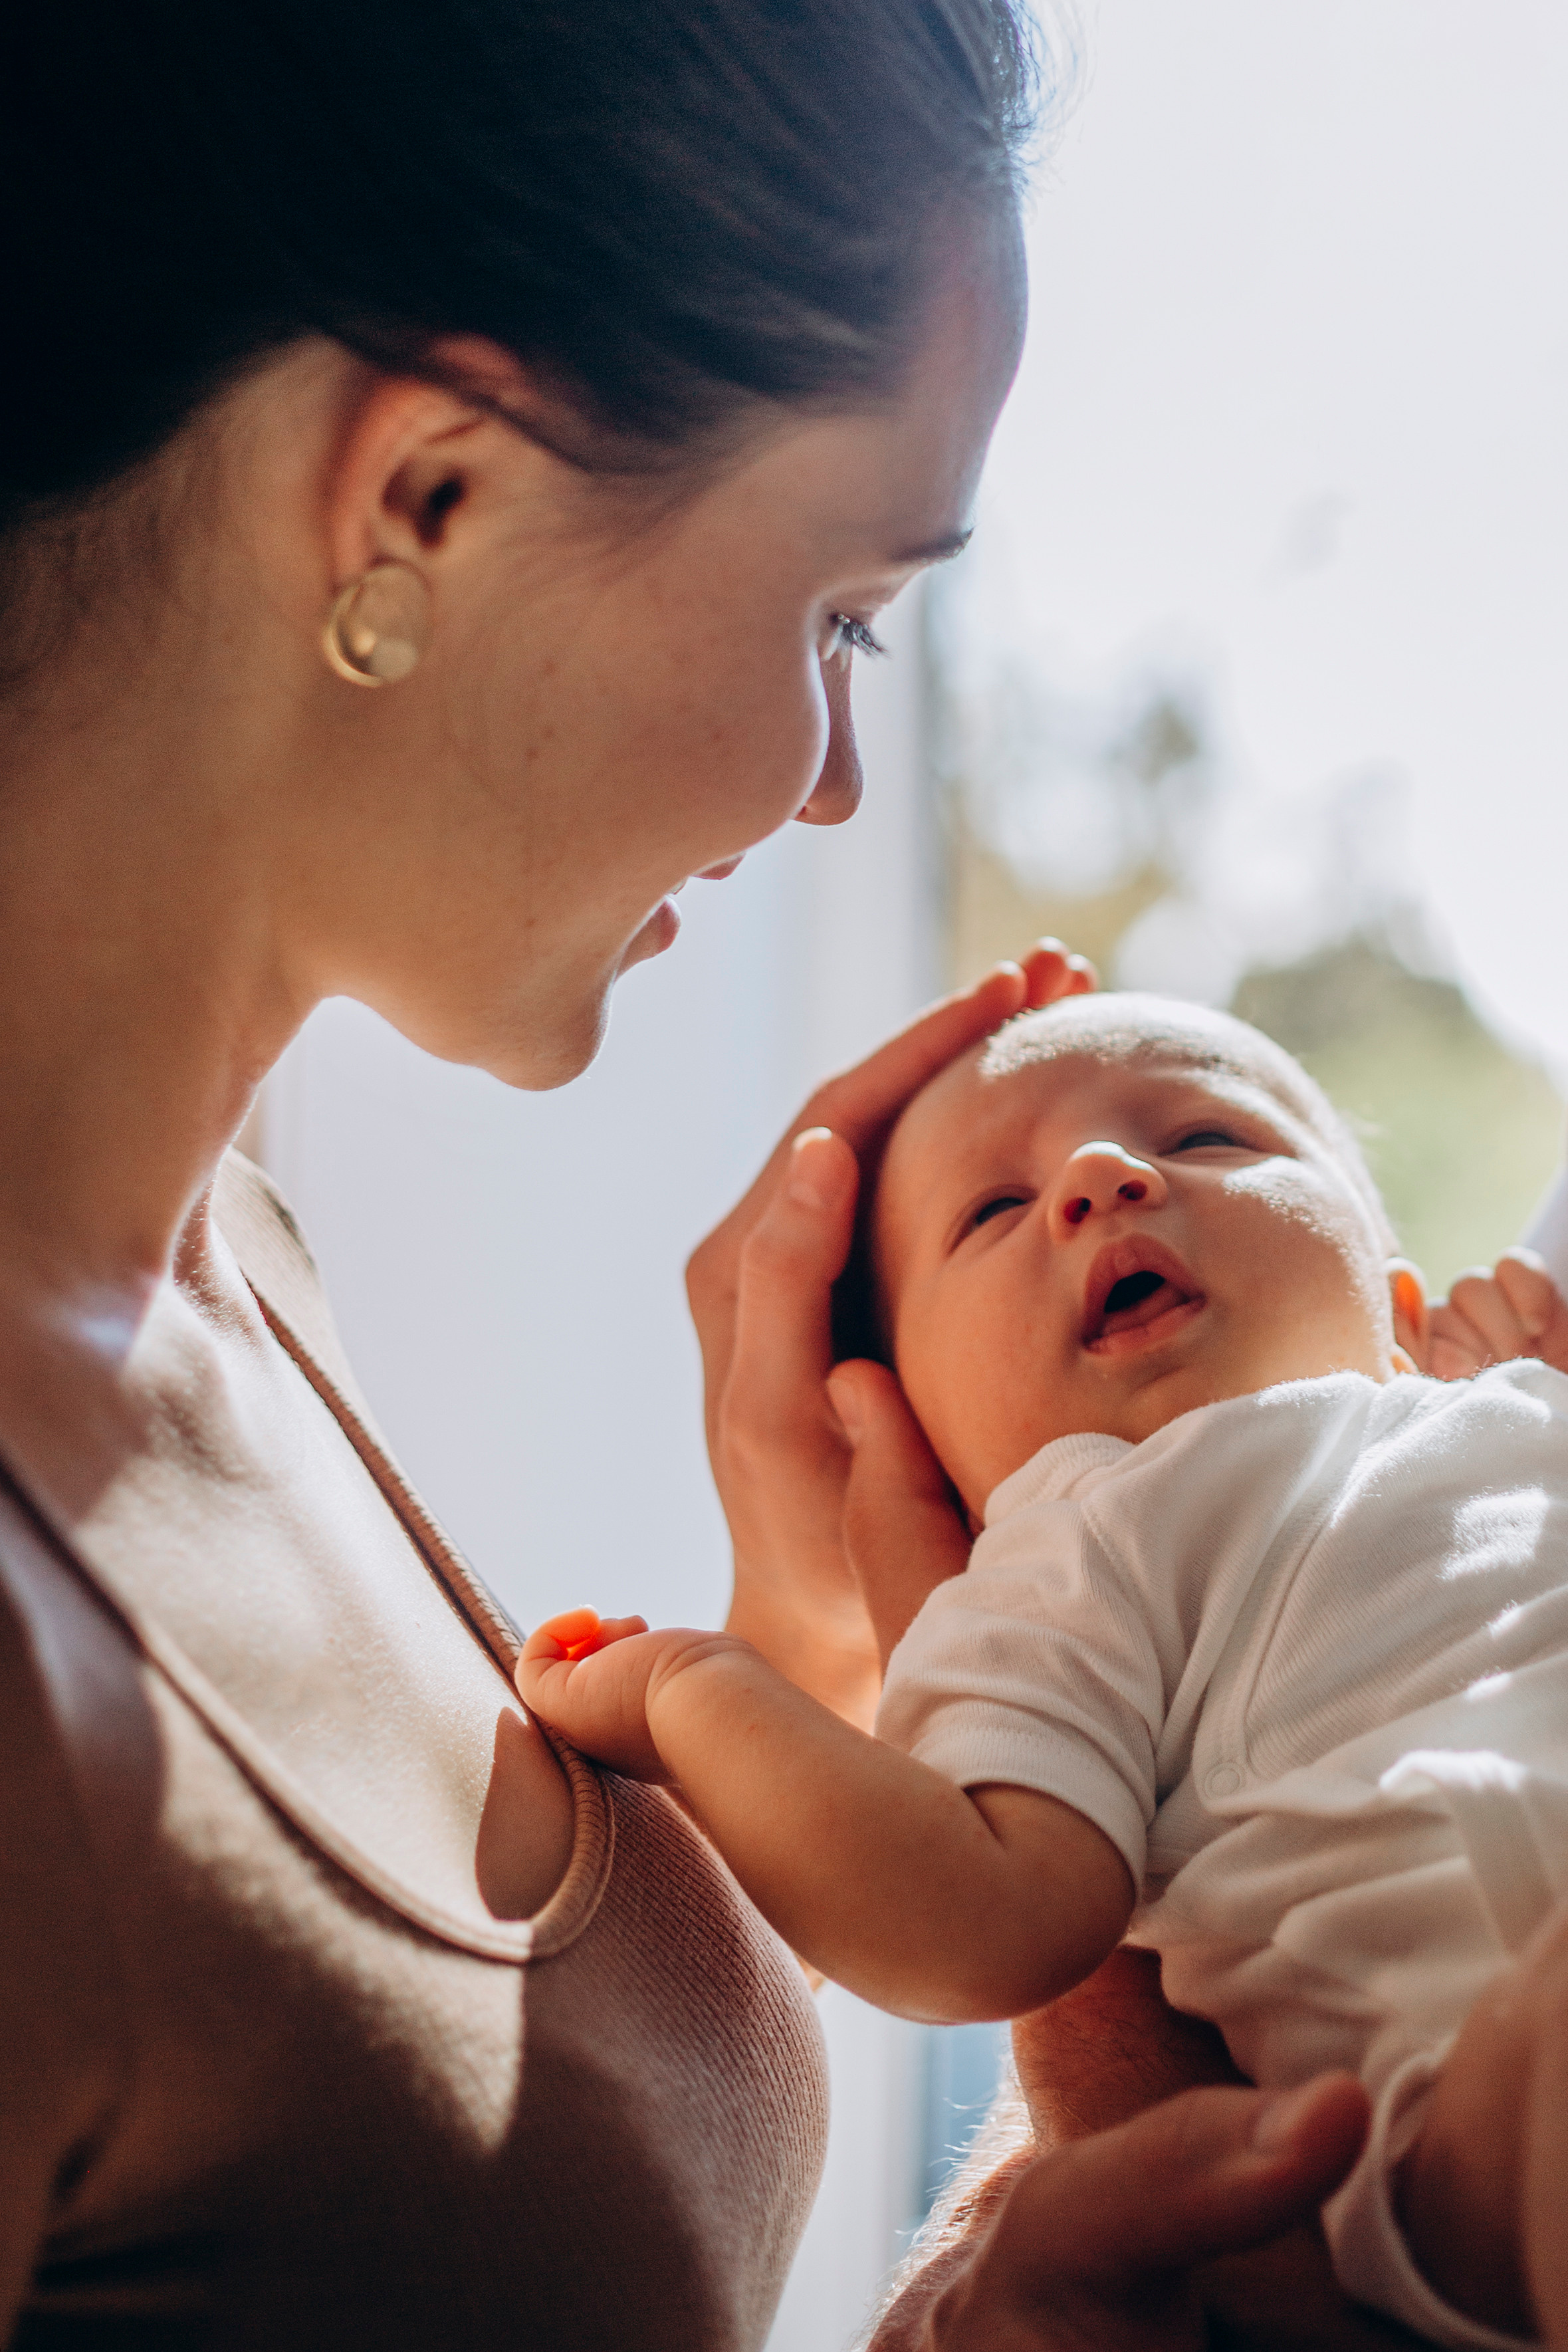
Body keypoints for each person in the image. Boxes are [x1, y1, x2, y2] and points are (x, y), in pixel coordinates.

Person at [0, 2, 1394, 2343]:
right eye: (843, 611)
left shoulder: (224, 1255)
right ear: (419, 494)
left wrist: (829, 1642)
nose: (841, 781)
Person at [526, 994, 1568, 2347]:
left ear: (1400, 1303)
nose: (1100, 1175)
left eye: (1207, 1131)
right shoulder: (1075, 1541)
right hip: (1481, 2105)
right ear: (939, 1457)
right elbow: (982, 1917)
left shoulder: (1502, 1412)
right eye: (990, 1214)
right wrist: (704, 1691)